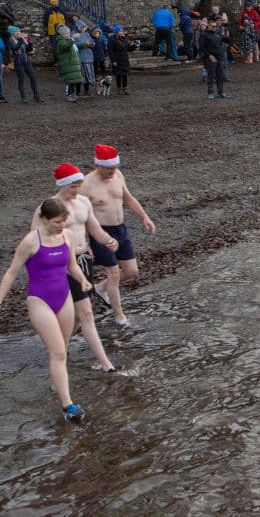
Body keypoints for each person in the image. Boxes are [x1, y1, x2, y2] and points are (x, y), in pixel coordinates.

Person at [0, 198, 91, 421]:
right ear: (43, 219)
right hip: (39, 300)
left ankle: (56, 383)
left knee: (64, 347)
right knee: (58, 352)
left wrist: (83, 280)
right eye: (57, 222)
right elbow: (12, 272)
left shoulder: (67, 236)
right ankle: (67, 405)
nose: (61, 226)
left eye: (64, 221)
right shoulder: (31, 241)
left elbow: (71, 266)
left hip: (64, 297)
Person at [35, 164, 119, 370]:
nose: (76, 191)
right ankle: (107, 365)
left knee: (76, 316)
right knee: (86, 313)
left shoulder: (82, 203)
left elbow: (94, 229)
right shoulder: (48, 208)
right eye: (72, 187)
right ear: (62, 185)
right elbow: (37, 239)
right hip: (63, 265)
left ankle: (57, 353)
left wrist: (108, 241)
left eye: (79, 186)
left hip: (83, 261)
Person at [81, 144, 156, 326]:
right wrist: (85, 243)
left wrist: (145, 217)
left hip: (120, 229)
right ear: (99, 165)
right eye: (109, 169)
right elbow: (80, 215)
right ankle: (119, 316)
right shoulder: (86, 183)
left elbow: (128, 197)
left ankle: (100, 288)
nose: (113, 172)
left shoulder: (118, 175)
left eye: (115, 168)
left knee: (131, 271)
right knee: (113, 273)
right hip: (100, 233)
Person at [8, 27, 43, 102]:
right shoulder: (11, 41)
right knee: (21, 80)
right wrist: (21, 40)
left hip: (27, 63)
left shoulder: (21, 39)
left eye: (19, 31)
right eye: (16, 31)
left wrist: (29, 42)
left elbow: (29, 49)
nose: (19, 32)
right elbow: (15, 48)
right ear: (12, 33)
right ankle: (23, 97)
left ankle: (36, 96)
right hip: (18, 64)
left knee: (33, 78)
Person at [202, 16, 227, 99]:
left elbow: (228, 40)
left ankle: (221, 92)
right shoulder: (205, 35)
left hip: (219, 57)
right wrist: (209, 55)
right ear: (209, 26)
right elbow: (202, 47)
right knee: (211, 76)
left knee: (220, 76)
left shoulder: (218, 34)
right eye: (213, 26)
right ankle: (210, 93)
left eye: (216, 26)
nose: (215, 27)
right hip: (211, 57)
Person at [56, 25, 82, 102]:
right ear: (62, 34)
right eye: (67, 33)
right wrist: (73, 38)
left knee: (75, 80)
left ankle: (72, 94)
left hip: (73, 64)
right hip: (68, 64)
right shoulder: (61, 41)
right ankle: (69, 95)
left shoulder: (68, 40)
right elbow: (65, 47)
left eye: (69, 33)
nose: (69, 34)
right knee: (70, 80)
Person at [108, 26, 131, 95]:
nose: (122, 32)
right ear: (117, 32)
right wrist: (113, 60)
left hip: (125, 59)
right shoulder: (112, 39)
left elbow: (129, 49)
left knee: (125, 75)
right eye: (120, 31)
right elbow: (110, 51)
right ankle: (119, 89)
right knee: (119, 75)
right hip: (117, 59)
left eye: (122, 31)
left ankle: (125, 89)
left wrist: (134, 45)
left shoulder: (125, 39)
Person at [76, 21, 96, 95]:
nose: (82, 28)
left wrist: (92, 43)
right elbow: (75, 44)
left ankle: (87, 91)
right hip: (81, 57)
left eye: (84, 27)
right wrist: (84, 44)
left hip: (89, 56)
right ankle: (78, 92)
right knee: (81, 75)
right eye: (81, 27)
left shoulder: (87, 34)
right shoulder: (75, 34)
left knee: (88, 75)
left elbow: (92, 40)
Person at [44, 0, 65, 64]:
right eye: (54, 2)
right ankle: (57, 61)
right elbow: (45, 22)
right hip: (53, 32)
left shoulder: (61, 10)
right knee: (55, 47)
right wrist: (47, 30)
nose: (56, 3)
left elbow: (65, 20)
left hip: (62, 32)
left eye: (56, 1)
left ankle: (63, 60)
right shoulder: (48, 11)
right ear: (51, 3)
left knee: (62, 46)